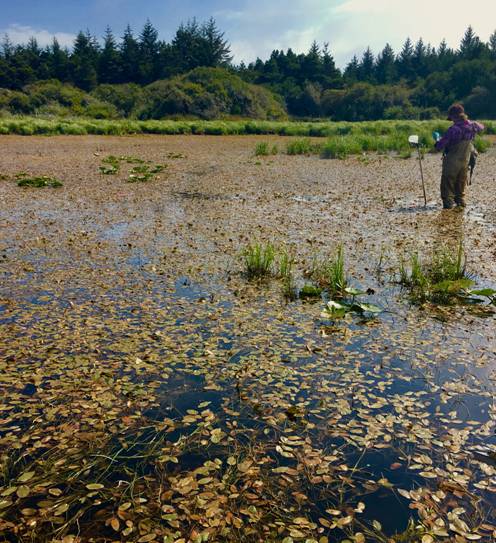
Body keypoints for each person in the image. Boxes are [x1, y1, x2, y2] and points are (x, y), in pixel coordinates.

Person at [435, 104, 484, 209]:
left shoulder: (453, 130)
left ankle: (448, 204)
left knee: (447, 182)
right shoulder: (473, 125)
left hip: (452, 161)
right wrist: (468, 122)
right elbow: (481, 127)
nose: (451, 120)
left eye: (451, 118)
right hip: (465, 161)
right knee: (461, 182)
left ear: (453, 117)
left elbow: (439, 146)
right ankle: (460, 202)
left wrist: (437, 140)